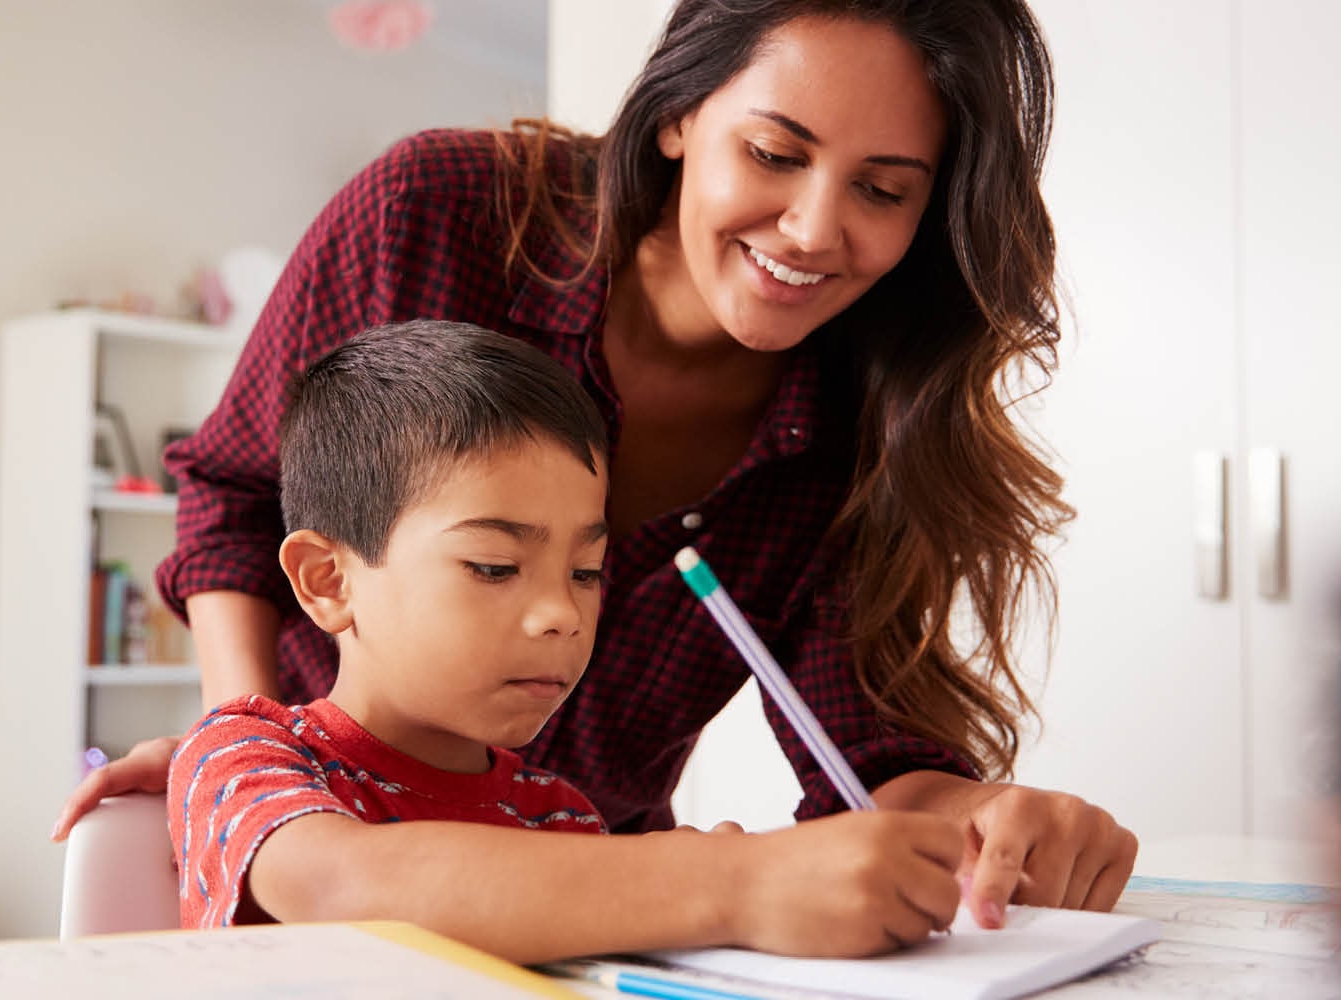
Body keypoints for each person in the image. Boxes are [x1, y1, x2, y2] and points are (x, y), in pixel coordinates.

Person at [56, 0, 1139, 931]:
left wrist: (984, 823)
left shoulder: (866, 426)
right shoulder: (434, 213)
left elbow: (861, 760)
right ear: (676, 114)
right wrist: (251, 746)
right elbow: (237, 498)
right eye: (773, 153)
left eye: (883, 190)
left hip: (600, 914)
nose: (812, 229)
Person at [171, 319, 972, 962]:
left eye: (587, 572)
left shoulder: (556, 818)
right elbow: (341, 886)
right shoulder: (246, 755)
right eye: (494, 565)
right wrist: (732, 884)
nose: (563, 613)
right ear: (327, 581)